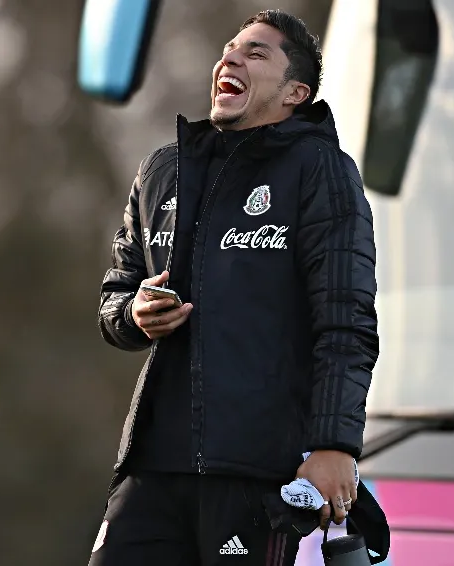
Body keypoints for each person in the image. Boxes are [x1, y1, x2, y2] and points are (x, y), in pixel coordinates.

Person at [92, 9, 379, 566]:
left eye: (256, 53)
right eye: (229, 49)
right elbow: (113, 299)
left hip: (259, 476)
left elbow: (347, 323)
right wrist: (135, 312)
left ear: (296, 91)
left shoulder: (323, 171)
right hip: (151, 468)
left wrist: (333, 445)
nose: (231, 59)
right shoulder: (161, 171)